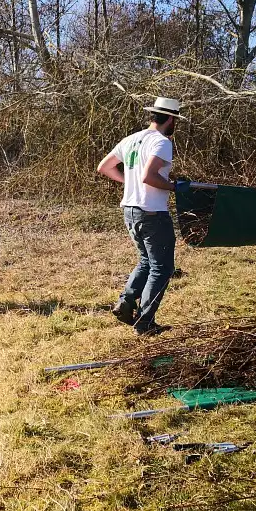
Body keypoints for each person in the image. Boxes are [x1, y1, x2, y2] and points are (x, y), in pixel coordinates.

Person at [96, 96, 186, 335]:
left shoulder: (131, 139)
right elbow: (149, 176)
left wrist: (129, 182)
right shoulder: (162, 142)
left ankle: (126, 302)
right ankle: (145, 323)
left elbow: (104, 167)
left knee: (146, 261)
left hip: (130, 210)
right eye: (175, 120)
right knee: (162, 268)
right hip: (152, 212)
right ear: (170, 119)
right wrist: (174, 186)